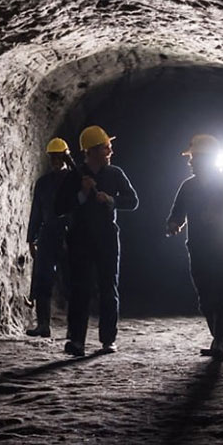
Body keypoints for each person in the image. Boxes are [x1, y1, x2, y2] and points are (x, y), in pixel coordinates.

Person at [54, 125, 138, 357]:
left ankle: (108, 339)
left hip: (106, 237)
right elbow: (59, 208)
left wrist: (111, 200)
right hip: (80, 238)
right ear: (91, 151)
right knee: (80, 288)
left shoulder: (115, 174)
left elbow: (132, 201)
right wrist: (81, 194)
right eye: (105, 147)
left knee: (108, 288)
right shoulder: (75, 176)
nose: (110, 150)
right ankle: (77, 340)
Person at [166, 134, 223, 361]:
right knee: (205, 296)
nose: (190, 162)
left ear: (207, 159)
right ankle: (218, 339)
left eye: (194, 158)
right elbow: (177, 213)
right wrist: (173, 224)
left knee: (220, 293)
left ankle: (219, 341)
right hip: (198, 246)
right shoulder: (188, 186)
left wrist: (219, 216)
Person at [24, 137, 76, 338]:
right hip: (47, 234)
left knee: (71, 282)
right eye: (52, 156)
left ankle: (74, 328)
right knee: (42, 280)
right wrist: (31, 239)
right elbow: (36, 211)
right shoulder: (43, 183)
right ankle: (43, 325)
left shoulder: (74, 180)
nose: (55, 160)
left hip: (69, 235)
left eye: (58, 156)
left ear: (65, 156)